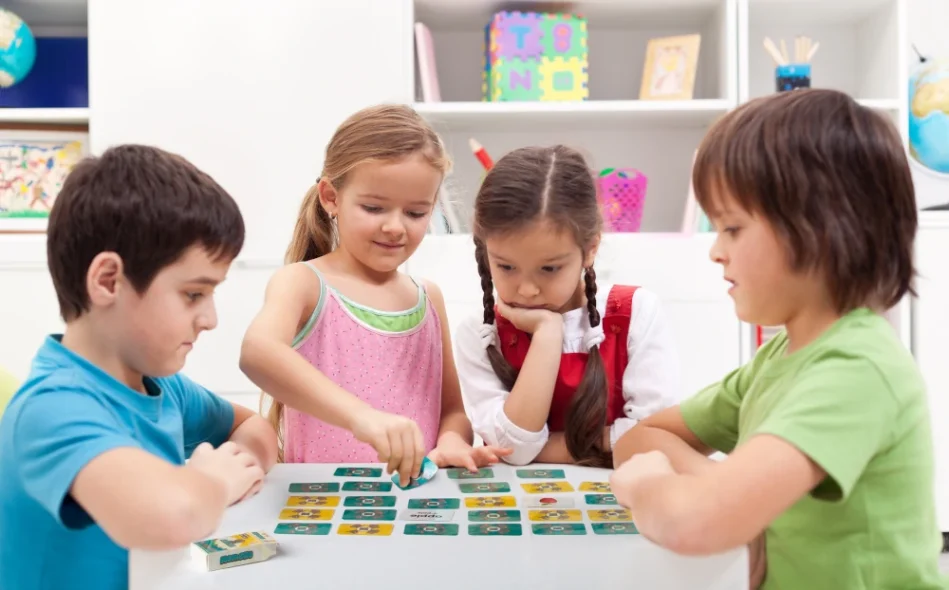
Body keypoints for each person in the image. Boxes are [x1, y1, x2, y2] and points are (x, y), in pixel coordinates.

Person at [609, 89, 947, 589]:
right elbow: (637, 437)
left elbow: (694, 522)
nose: (715, 252)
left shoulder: (857, 368)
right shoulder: (780, 358)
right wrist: (728, 494)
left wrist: (654, 487)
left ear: (821, 228)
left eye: (732, 228)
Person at [0, 145, 278, 590]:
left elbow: (257, 430)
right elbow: (172, 515)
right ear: (108, 281)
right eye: (193, 294)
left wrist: (232, 469)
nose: (210, 319)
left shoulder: (163, 388)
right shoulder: (50, 409)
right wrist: (212, 485)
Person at [240, 104, 510, 485]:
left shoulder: (428, 298)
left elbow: (452, 411)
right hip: (322, 507)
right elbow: (257, 353)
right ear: (331, 197)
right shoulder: (303, 283)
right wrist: (361, 417)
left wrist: (452, 440)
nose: (395, 227)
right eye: (373, 207)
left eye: (416, 213)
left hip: (414, 510)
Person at [453, 144, 682, 468]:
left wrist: (543, 450)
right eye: (505, 267)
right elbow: (514, 450)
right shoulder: (481, 333)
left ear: (590, 249)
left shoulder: (635, 313)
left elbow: (655, 437)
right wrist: (548, 333)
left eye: (549, 268)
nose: (527, 289)